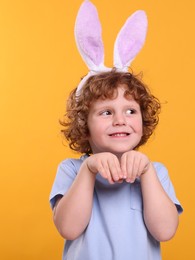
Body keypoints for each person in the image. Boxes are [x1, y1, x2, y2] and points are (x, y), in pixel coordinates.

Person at [49, 1, 183, 259]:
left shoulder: (154, 172)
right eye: (106, 112)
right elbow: (68, 228)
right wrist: (89, 170)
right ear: (84, 126)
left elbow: (165, 231)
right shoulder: (72, 170)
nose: (120, 120)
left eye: (130, 111)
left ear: (143, 120)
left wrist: (146, 172)